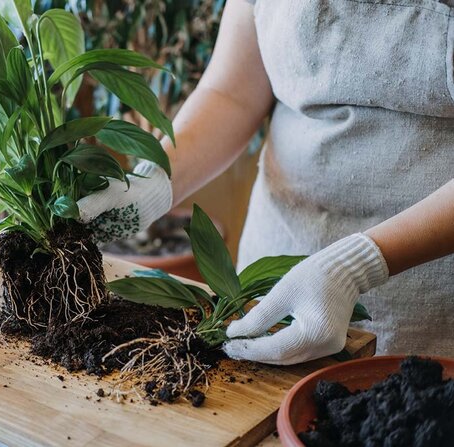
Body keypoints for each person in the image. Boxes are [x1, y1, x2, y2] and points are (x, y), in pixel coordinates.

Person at [76, 0, 454, 364]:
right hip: (273, 272)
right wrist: (154, 181)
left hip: (425, 304)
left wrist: (357, 265)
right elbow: (232, 92)